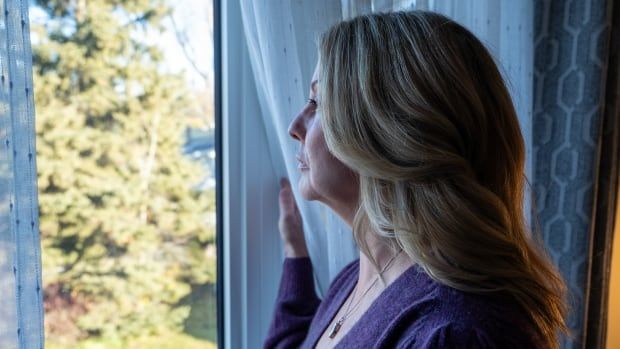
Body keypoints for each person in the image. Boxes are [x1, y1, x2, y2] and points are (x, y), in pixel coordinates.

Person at [263, 10, 568, 349]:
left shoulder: (457, 332)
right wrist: (294, 255)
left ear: (387, 132)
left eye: (318, 102)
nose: (294, 126)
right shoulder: (354, 281)